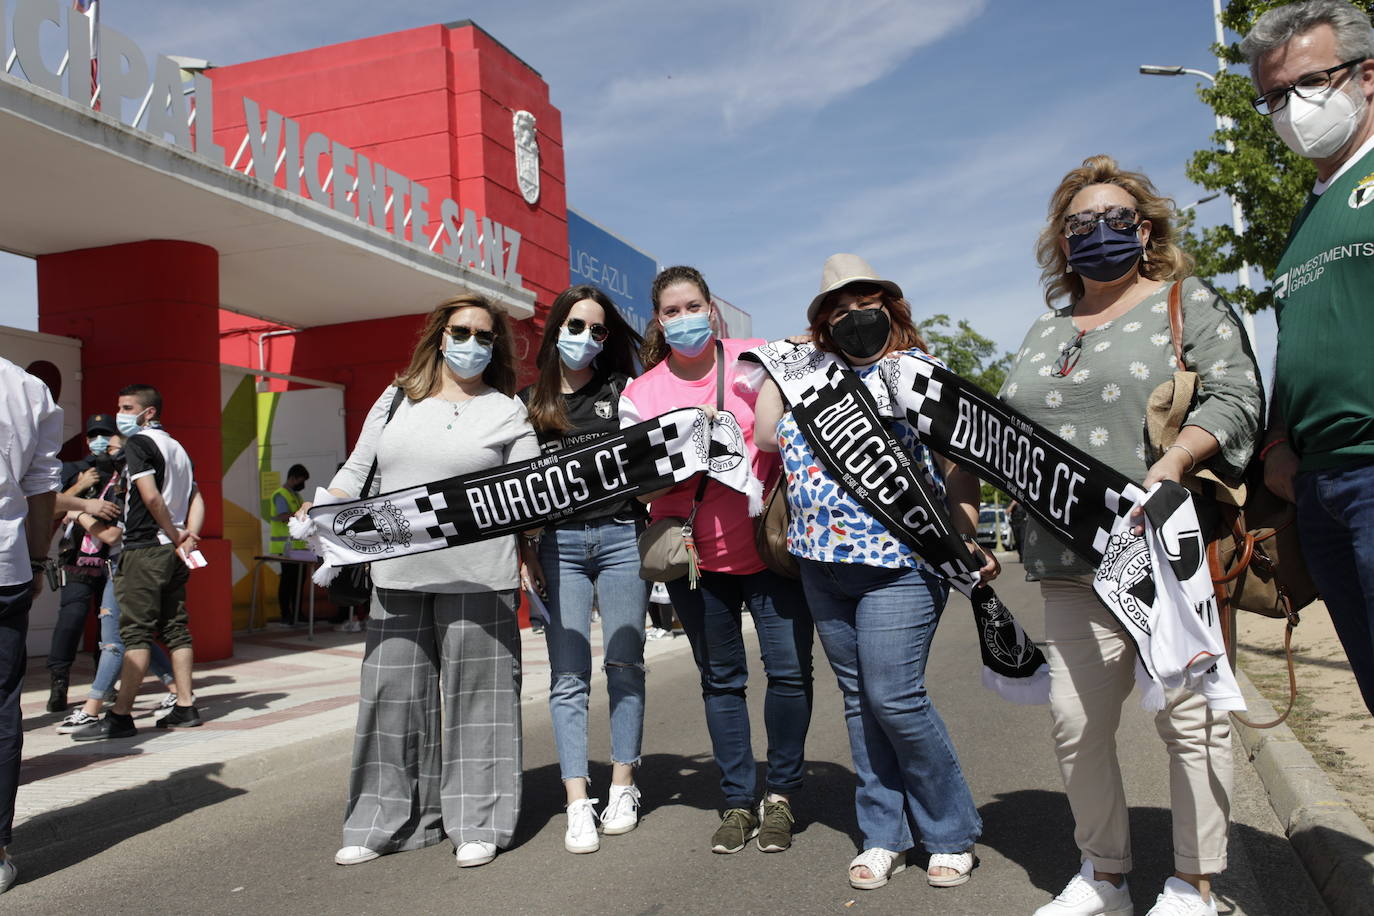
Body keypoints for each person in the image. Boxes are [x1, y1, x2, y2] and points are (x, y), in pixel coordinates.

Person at [1004, 157, 1262, 916]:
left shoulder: (1188, 304)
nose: (1097, 233)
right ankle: (1104, 875)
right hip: (1065, 560)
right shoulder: (1043, 329)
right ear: (1062, 240)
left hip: (1164, 556)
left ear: (1144, 228)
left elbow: (1240, 393)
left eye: (1114, 218)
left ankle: (1196, 882)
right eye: (1078, 224)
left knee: (1191, 721)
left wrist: (1179, 457)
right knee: (1076, 723)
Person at [753, 254, 987, 891]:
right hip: (820, 564)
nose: (852, 315)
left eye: (865, 302)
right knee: (860, 703)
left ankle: (950, 831)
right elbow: (768, 435)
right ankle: (884, 833)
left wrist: (964, 525)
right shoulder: (806, 373)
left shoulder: (917, 372)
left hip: (900, 563)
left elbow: (956, 458)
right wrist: (786, 357)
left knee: (895, 698)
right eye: (837, 306)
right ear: (822, 318)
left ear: (889, 306)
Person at [314, 294, 539, 869]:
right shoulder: (394, 400)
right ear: (440, 335)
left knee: (481, 702)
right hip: (395, 576)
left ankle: (478, 821)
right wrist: (325, 512)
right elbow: (357, 471)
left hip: (480, 577)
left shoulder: (507, 410)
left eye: (484, 336)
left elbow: (531, 492)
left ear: (496, 347)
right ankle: (386, 821)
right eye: (461, 331)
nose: (471, 344)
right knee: (391, 701)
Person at [619, 265, 814, 855]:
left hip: (769, 552)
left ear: (713, 309)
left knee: (789, 673)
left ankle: (779, 796)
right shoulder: (641, 393)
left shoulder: (758, 358)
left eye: (692, 306)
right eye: (671, 312)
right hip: (695, 564)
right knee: (722, 682)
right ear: (658, 321)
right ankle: (736, 800)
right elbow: (639, 489)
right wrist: (686, 448)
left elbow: (807, 411)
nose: (684, 319)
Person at [1243, 0, 1374, 717]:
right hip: (1321, 486)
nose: (1291, 109)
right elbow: (1301, 342)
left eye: (1307, 84)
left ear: (1367, 75)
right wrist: (1277, 442)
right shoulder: (1308, 214)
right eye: (1273, 97)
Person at [519, 284, 648, 854]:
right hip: (558, 547)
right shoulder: (529, 402)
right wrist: (525, 553)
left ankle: (623, 784)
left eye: (599, 330)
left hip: (622, 540)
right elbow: (514, 489)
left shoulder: (623, 390)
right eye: (576, 326)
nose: (587, 338)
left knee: (625, 664)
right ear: (555, 330)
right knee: (568, 676)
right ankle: (577, 799)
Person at [70, 385, 206, 740]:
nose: (121, 414)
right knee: (176, 628)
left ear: (149, 413)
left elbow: (150, 496)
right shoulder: (178, 448)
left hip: (146, 548)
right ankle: (185, 705)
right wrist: (188, 534)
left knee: (136, 634)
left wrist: (175, 534)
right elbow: (197, 497)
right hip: (173, 551)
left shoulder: (139, 445)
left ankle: (121, 715)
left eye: (127, 407)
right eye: (120, 406)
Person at [55, 433, 180, 736]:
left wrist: (80, 513)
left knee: (113, 641)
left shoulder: (128, 484)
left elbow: (111, 536)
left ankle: (92, 709)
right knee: (136, 635)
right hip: (124, 564)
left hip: (125, 564)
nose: (103, 448)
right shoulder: (116, 481)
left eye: (110, 444)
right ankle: (178, 690)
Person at [0, 356, 63, 893]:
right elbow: (42, 483)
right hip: (6, 568)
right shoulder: (25, 387)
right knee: (0, 709)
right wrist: (39, 559)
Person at [44, 413, 121, 712]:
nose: (99, 440)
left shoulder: (120, 471)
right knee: (70, 620)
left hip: (110, 560)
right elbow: (49, 509)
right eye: (93, 435)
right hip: (76, 560)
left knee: (108, 626)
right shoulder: (72, 469)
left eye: (104, 435)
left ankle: (107, 684)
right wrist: (80, 487)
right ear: (87, 440)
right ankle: (59, 682)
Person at [267, 463, 311, 626]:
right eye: (301, 480)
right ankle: (286, 614)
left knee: (299, 582)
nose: (302, 484)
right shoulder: (280, 495)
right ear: (292, 478)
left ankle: (298, 613)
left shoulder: (296, 496)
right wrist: (299, 516)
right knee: (287, 582)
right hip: (284, 548)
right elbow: (282, 516)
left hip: (298, 548)